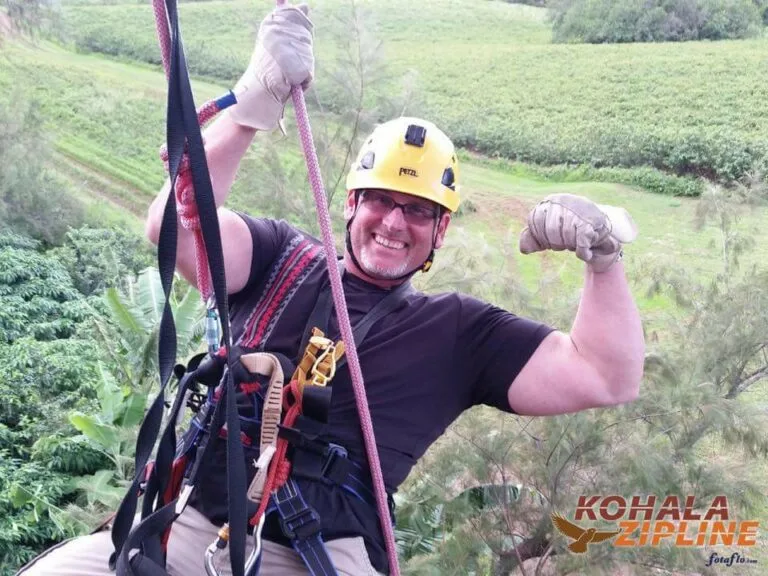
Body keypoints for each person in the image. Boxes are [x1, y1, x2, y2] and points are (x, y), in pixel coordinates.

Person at [16, 4, 644, 576]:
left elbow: (606, 376)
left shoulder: (458, 333)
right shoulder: (281, 259)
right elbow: (175, 229)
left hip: (318, 556)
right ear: (351, 203)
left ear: (441, 229)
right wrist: (253, 106)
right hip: (189, 525)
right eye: (380, 201)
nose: (395, 223)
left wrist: (604, 261)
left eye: (418, 211)